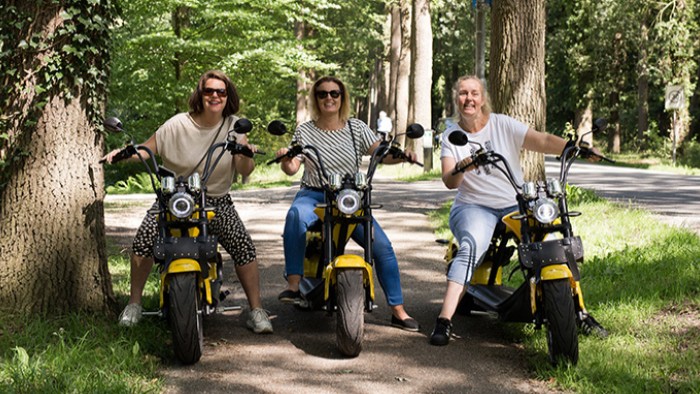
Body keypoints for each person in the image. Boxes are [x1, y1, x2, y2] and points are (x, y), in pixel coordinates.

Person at [430, 75, 606, 346]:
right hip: (473, 206)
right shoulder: (452, 136)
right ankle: (444, 320)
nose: (469, 99)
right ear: (456, 99)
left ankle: (579, 312)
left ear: (483, 98)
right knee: (472, 246)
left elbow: (543, 141)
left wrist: (576, 148)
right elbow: (449, 181)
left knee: (551, 239)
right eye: (463, 93)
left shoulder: (502, 124)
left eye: (474, 93)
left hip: (514, 202)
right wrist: (463, 166)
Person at [103, 70, 273, 334]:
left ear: (228, 97)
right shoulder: (177, 124)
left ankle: (256, 309)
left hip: (215, 200)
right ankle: (134, 304)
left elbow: (245, 169)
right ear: (200, 94)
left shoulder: (234, 126)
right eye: (209, 91)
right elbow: (147, 150)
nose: (215, 96)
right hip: (174, 199)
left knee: (243, 246)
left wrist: (245, 153)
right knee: (143, 241)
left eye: (221, 92)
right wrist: (123, 153)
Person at [274, 76, 419, 331]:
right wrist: (286, 159)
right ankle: (294, 285)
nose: (329, 98)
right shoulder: (305, 130)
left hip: (348, 198)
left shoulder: (356, 128)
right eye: (322, 94)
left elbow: (379, 153)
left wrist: (402, 156)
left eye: (334, 93)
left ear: (342, 97)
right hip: (315, 194)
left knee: (382, 247)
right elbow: (292, 166)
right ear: (315, 99)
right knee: (296, 215)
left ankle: (398, 309)